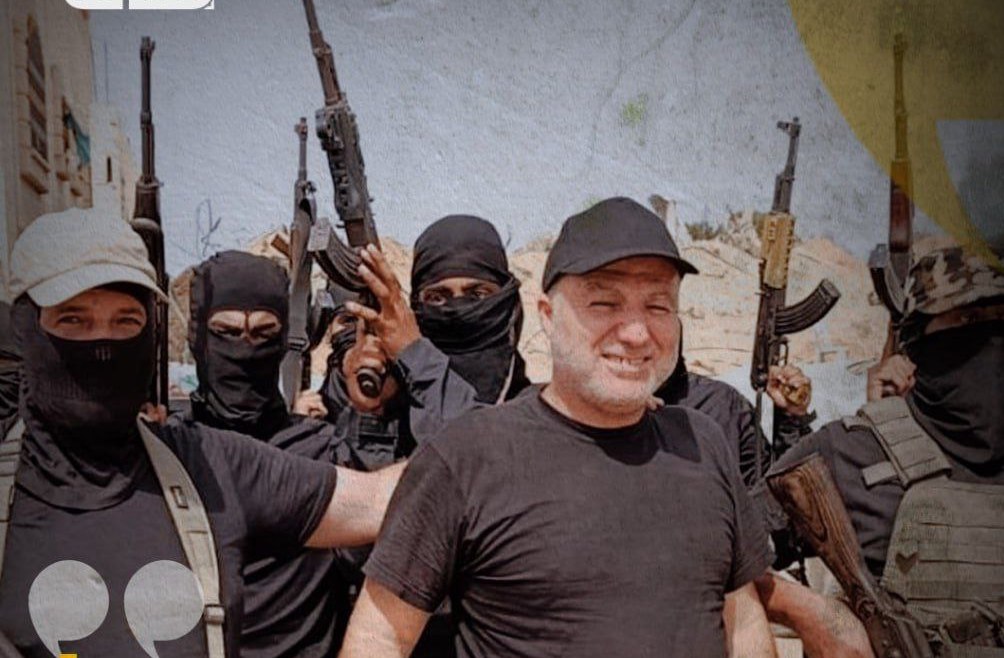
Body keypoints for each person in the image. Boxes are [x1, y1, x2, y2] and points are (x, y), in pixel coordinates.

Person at [338, 197, 775, 658]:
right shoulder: (465, 454)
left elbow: (743, 622)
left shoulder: (703, 443)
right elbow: (379, 638)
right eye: (604, 303)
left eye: (658, 306)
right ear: (547, 315)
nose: (636, 333)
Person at [0, 208, 401, 658]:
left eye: (126, 321)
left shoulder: (210, 465)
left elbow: (390, 501)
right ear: (25, 329)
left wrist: (416, 362)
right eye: (73, 320)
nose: (103, 345)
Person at [761, 237, 1004, 656]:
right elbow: (715, 552)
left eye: (1000, 318)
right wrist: (810, 612)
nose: (989, 338)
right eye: (967, 318)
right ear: (916, 340)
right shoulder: (848, 452)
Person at [185, 250, 365, 657]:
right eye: (227, 332)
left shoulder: (322, 453)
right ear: (198, 339)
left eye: (264, 333)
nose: (245, 348)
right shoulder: (169, 455)